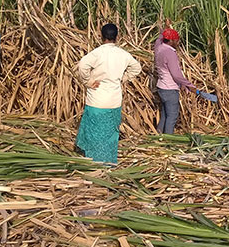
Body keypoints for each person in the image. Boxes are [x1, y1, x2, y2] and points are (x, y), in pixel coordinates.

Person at [76, 23, 142, 163]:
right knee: (110, 134)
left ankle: (93, 163)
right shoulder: (123, 54)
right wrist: (123, 79)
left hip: (97, 99)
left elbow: (82, 65)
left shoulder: (97, 53)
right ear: (116, 37)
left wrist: (88, 81)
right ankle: (108, 163)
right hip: (114, 100)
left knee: (95, 133)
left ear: (101, 36)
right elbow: (136, 68)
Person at [154, 27, 197, 134]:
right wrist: (189, 85)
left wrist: (166, 27)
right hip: (170, 89)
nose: (178, 42)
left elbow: (159, 38)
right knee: (172, 116)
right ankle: (169, 141)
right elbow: (176, 74)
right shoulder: (169, 53)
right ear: (171, 41)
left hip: (161, 87)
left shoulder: (158, 47)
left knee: (165, 114)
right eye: (176, 40)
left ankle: (159, 136)